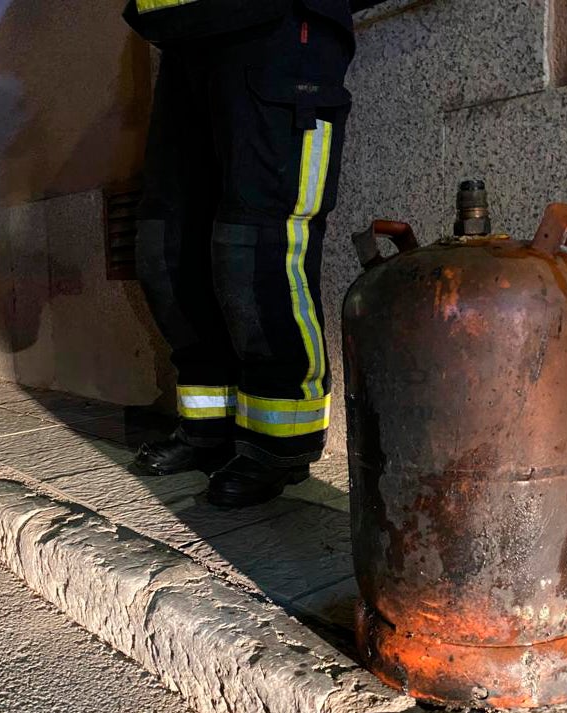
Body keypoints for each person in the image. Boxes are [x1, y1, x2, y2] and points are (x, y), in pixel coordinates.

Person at [123, 0, 369, 507]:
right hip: (182, 36)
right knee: (168, 247)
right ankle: (208, 428)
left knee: (257, 246)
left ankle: (279, 444)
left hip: (279, 25)